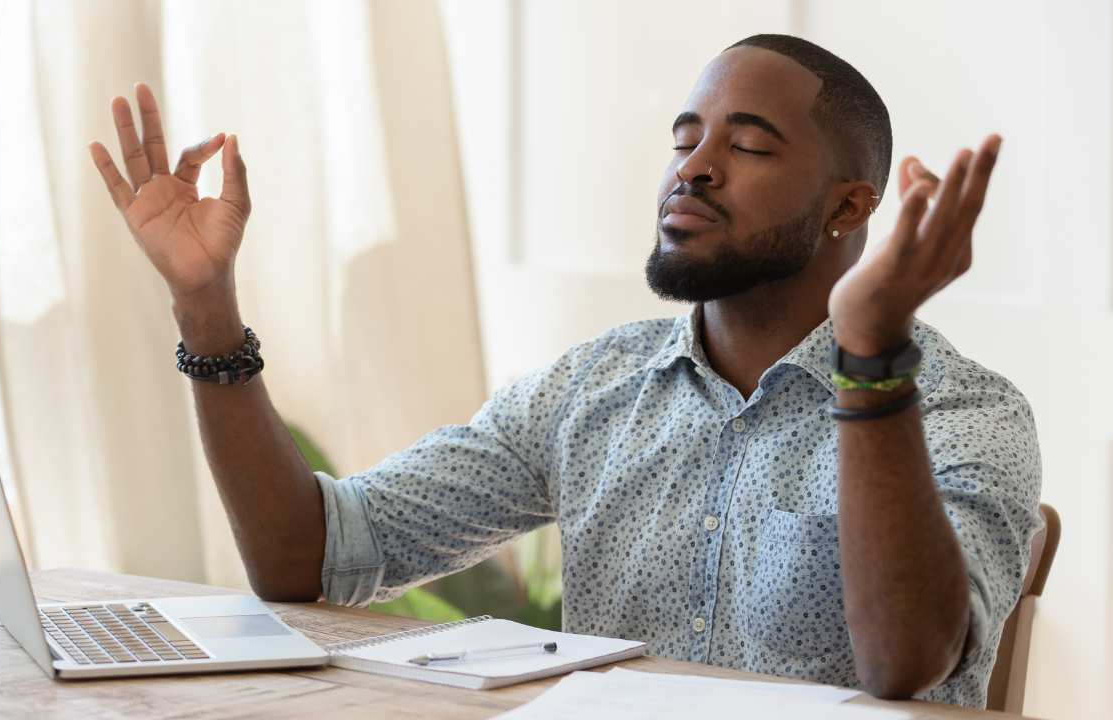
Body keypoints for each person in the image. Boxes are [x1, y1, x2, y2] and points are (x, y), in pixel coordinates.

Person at [89, 33, 1041, 708]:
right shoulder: (593, 390)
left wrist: (870, 355)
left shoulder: (968, 412)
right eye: (684, 139)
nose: (693, 169)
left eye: (747, 145)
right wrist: (206, 307)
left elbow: (907, 668)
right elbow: (309, 557)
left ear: (849, 206)